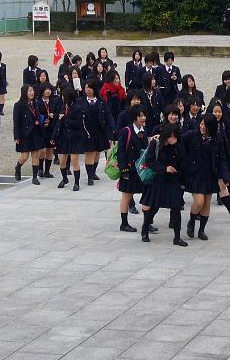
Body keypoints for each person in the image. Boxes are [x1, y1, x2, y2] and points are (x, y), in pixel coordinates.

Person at [182, 114, 230, 240]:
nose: (202, 127)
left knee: (206, 203)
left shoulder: (217, 139)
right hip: (195, 175)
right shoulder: (191, 135)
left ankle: (201, 230)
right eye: (201, 124)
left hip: (210, 175)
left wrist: (225, 177)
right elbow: (178, 142)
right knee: (199, 201)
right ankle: (191, 221)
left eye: (205, 126)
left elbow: (222, 159)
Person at [139, 123, 188, 246]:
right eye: (171, 136)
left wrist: (183, 182)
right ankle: (145, 228)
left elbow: (183, 163)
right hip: (159, 180)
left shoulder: (178, 145)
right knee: (153, 207)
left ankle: (177, 237)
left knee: (176, 208)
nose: (174, 139)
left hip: (174, 181)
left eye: (175, 136)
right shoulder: (155, 143)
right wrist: (165, 169)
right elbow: (150, 161)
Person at [117, 105, 149, 233]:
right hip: (129, 170)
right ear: (134, 117)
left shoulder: (144, 131)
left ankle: (147, 222)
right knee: (127, 196)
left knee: (147, 196)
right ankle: (124, 223)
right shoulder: (126, 131)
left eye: (144, 115)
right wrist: (123, 169)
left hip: (141, 170)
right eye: (140, 116)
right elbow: (121, 151)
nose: (143, 118)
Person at [80, 79, 114, 185]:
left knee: (97, 152)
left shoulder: (101, 101)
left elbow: (108, 115)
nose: (88, 90)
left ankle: (93, 172)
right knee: (89, 153)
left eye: (90, 88)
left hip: (99, 130)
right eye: (86, 88)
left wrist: (113, 127)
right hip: (87, 131)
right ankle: (90, 176)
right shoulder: (80, 101)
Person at [53, 87, 85, 190]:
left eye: (63, 96)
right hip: (64, 138)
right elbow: (59, 123)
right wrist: (53, 136)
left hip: (74, 137)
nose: (62, 97)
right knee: (62, 162)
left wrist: (65, 119)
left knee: (74, 161)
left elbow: (77, 124)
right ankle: (64, 178)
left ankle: (76, 183)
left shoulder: (77, 108)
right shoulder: (63, 107)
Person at [13, 84, 45, 183]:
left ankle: (34, 177)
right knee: (25, 156)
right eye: (30, 91)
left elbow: (41, 114)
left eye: (32, 91)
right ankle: (18, 167)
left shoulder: (36, 103)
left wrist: (41, 121)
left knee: (36, 154)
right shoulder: (18, 105)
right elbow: (16, 121)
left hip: (35, 131)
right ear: (24, 93)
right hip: (25, 133)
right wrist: (16, 136)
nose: (32, 93)